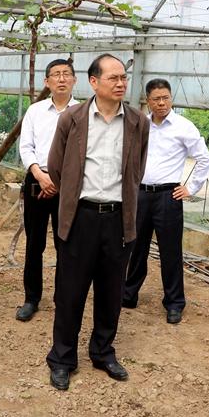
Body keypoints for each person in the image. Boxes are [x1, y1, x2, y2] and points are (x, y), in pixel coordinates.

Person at [45, 53, 149, 391]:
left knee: (110, 291)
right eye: (113, 78)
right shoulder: (72, 119)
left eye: (123, 78)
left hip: (118, 219)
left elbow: (137, 168)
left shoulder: (137, 121)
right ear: (93, 82)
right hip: (81, 217)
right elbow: (56, 166)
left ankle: (103, 352)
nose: (121, 84)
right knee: (70, 292)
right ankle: (62, 358)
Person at [123, 78, 209, 324]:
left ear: (171, 98)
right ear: (148, 101)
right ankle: (129, 294)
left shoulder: (183, 126)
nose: (161, 103)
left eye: (165, 98)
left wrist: (190, 188)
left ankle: (174, 303)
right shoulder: (141, 125)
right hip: (141, 194)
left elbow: (204, 158)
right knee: (136, 247)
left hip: (168, 196)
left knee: (170, 251)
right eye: (156, 99)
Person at [15, 59, 78, 322]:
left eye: (66, 74)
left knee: (66, 243)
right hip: (37, 180)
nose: (61, 79)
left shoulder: (83, 112)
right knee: (35, 243)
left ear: (74, 80)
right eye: (56, 74)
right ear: (47, 81)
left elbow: (83, 152)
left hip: (69, 184)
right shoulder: (35, 110)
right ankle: (31, 298)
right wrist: (40, 176)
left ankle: (63, 298)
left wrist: (59, 181)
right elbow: (26, 147)